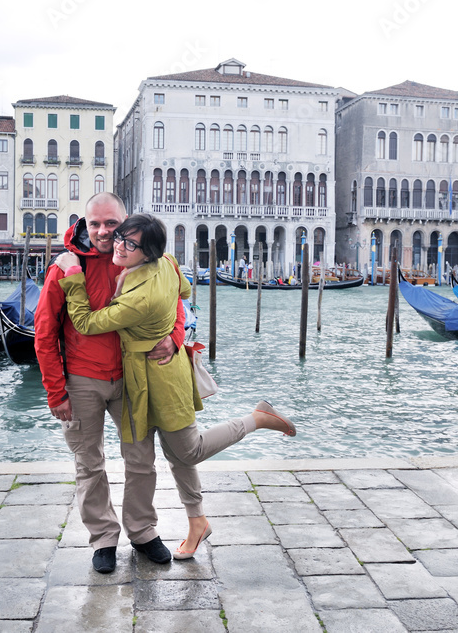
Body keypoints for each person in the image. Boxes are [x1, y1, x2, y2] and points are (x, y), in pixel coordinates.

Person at [55, 213, 297, 561]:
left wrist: (74, 278)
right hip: (137, 380)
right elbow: (184, 292)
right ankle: (196, 521)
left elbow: (86, 322)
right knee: (166, 453)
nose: (119, 244)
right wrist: (172, 332)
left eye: (130, 243)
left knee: (187, 450)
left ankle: (257, 419)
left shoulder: (140, 297)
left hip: (163, 376)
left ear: (149, 252)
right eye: (121, 237)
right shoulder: (167, 262)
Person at [34, 193, 184, 574]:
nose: (104, 232)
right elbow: (44, 332)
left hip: (134, 378)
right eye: (95, 224)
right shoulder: (65, 268)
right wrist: (56, 391)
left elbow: (175, 301)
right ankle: (103, 537)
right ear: (85, 223)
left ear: (125, 222)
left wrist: (176, 337)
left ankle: (142, 531)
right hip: (82, 381)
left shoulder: (148, 258)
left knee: (141, 459)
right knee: (89, 463)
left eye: (112, 224)